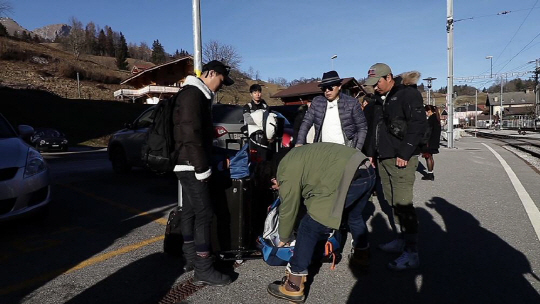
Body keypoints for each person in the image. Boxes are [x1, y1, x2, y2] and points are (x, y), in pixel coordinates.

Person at [266, 143, 375, 303]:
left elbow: (289, 206)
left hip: (352, 177)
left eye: (275, 186)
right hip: (367, 171)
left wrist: (284, 236)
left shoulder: (285, 169)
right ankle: (361, 256)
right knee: (354, 216)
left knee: (309, 226)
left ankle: (293, 286)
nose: (277, 189)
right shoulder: (298, 155)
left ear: (274, 178)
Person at [172, 60, 234, 286]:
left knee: (189, 212)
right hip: (192, 166)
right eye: (221, 80)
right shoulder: (193, 95)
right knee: (205, 215)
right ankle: (204, 268)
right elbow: (190, 133)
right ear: (211, 73)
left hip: (186, 163)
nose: (221, 85)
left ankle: (190, 258)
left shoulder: (192, 94)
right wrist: (202, 169)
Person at [363, 63, 427, 271]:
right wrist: (372, 154)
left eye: (378, 83)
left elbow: (418, 124)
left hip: (401, 158)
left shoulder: (407, 94)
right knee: (391, 201)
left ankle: (412, 252)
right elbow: (376, 127)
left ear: (389, 77)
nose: (375, 87)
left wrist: (405, 152)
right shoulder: (381, 98)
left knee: (403, 203)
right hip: (384, 157)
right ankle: (400, 240)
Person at [295, 71, 367, 151]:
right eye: (324, 88)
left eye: (330, 87)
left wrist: (357, 150)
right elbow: (306, 122)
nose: (327, 91)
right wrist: (299, 142)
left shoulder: (352, 103)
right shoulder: (317, 102)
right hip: (322, 150)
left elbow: (362, 128)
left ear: (339, 86)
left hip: (345, 151)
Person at [421, 105, 441, 181]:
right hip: (434, 141)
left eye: (425, 112)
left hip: (429, 142)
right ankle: (431, 173)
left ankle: (430, 175)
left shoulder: (431, 119)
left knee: (428, 157)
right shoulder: (436, 118)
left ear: (429, 111)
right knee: (430, 157)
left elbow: (427, 132)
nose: (425, 114)